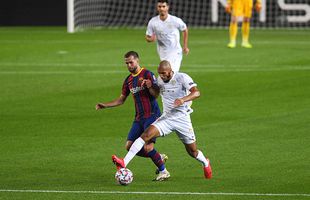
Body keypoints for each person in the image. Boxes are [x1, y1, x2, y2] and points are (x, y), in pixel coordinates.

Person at [112, 60, 212, 181]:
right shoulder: (159, 80)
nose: (162, 75)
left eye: (164, 73)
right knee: (146, 135)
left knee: (192, 152)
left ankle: (205, 163)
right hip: (167, 118)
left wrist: (183, 99)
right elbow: (155, 93)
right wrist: (150, 86)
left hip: (182, 119)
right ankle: (124, 162)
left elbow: (197, 92)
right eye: (160, 73)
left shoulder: (182, 77)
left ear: (170, 71)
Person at [96, 51, 168, 178]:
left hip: (152, 115)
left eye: (131, 62)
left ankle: (163, 172)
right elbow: (121, 99)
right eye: (126, 63)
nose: (129, 65)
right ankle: (158, 157)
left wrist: (150, 86)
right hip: (139, 118)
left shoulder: (147, 74)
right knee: (129, 146)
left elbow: (156, 95)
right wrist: (105, 105)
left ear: (137, 61)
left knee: (148, 147)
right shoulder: (128, 80)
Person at [145, 0, 189, 72]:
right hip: (162, 52)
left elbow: (185, 29)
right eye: (160, 6)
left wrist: (185, 46)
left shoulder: (175, 20)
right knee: (166, 74)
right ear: (157, 8)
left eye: (163, 6)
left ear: (167, 7)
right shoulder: (153, 22)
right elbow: (147, 37)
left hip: (175, 51)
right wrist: (150, 39)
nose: (161, 8)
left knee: (172, 72)